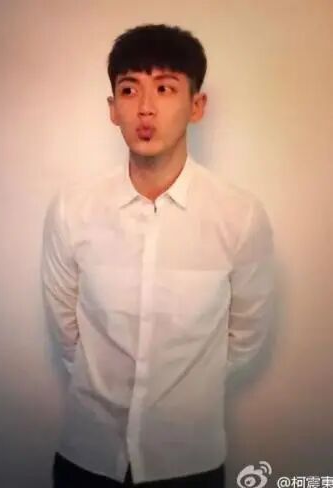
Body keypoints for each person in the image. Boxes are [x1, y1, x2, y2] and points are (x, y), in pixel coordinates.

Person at [41, 24, 275, 487]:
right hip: (88, 454)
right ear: (113, 109)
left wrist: (184, 391)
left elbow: (246, 333)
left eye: (165, 88)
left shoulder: (240, 216)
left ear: (197, 105)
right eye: (129, 90)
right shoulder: (72, 209)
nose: (145, 107)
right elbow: (65, 326)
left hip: (188, 460)